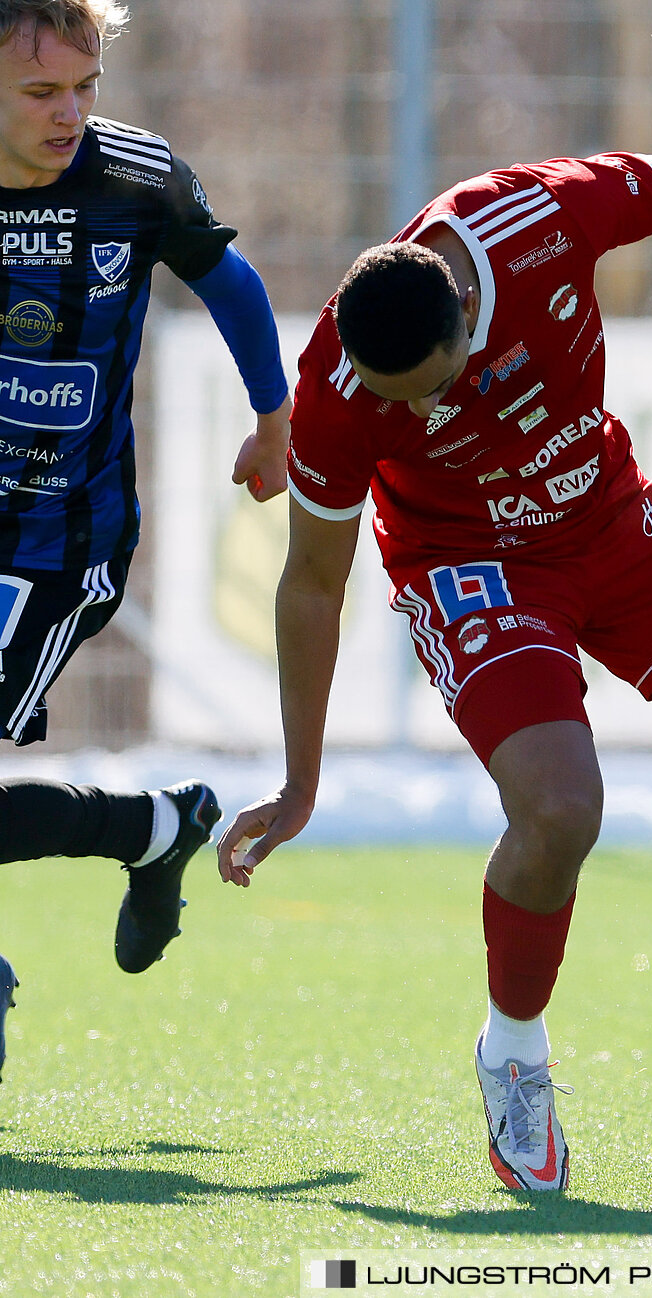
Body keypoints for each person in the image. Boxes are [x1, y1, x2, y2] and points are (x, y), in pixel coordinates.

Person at [214, 149, 652, 1193]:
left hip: (614, 520)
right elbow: (312, 582)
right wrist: (303, 778)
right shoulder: (339, 387)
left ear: (462, 314)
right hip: (473, 567)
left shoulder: (537, 220)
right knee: (560, 808)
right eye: (402, 402)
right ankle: (514, 1051)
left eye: (435, 386)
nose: (423, 411)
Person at [0, 0, 290, 1067]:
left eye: (84, 88)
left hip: (57, 544)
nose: (70, 112)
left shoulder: (134, 178)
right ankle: (155, 828)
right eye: (41, 92)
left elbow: (232, 280)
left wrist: (274, 417)